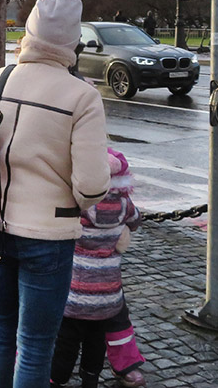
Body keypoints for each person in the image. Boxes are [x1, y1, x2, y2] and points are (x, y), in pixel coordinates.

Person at [0, 0, 111, 388]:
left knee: (0, 331)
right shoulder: (82, 97)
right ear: (73, 41)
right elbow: (92, 185)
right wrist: (79, 201)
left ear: (28, 31)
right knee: (35, 345)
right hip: (48, 235)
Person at [51, 148, 147, 388]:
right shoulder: (125, 205)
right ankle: (90, 378)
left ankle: (56, 379)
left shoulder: (80, 206)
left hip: (74, 295)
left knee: (67, 341)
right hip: (108, 296)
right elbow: (136, 222)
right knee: (96, 341)